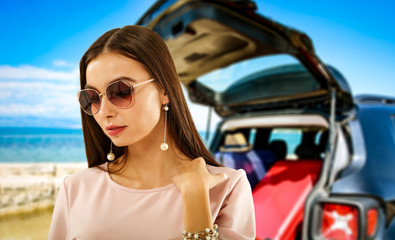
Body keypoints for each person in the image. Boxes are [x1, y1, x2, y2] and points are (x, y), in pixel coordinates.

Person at [48, 25, 255, 240]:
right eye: (93, 98)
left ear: (164, 90)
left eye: (120, 91)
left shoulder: (227, 188)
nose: (104, 111)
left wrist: (195, 197)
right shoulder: (76, 189)